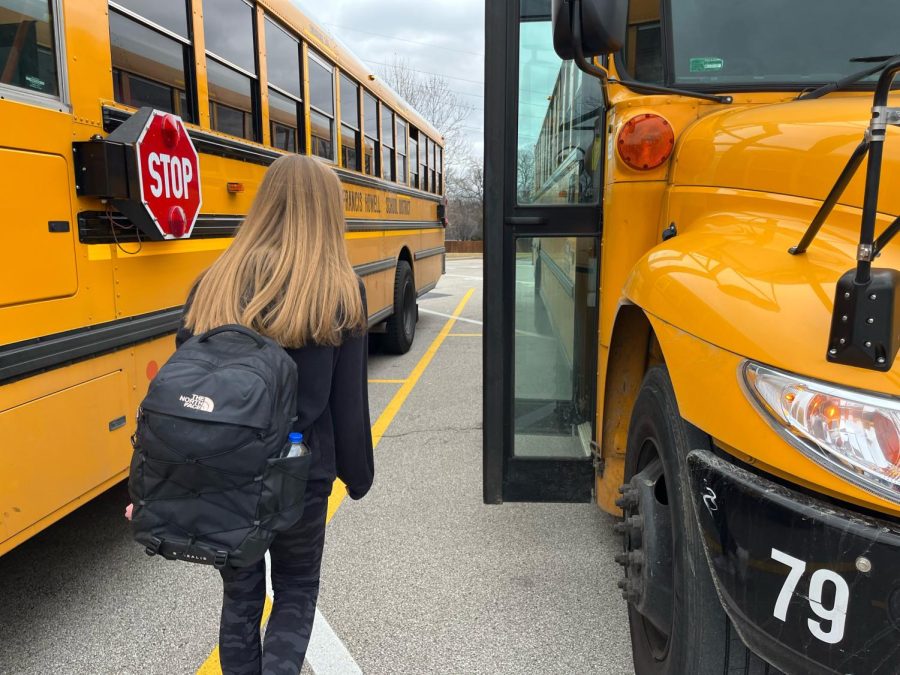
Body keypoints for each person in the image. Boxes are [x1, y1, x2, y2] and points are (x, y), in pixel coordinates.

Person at [149, 154, 374, 674]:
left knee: (241, 598)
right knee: (295, 591)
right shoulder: (339, 289)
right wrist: (357, 477)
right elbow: (346, 403)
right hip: (301, 472)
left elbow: (191, 397)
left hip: (225, 476)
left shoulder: (212, 283)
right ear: (326, 212)